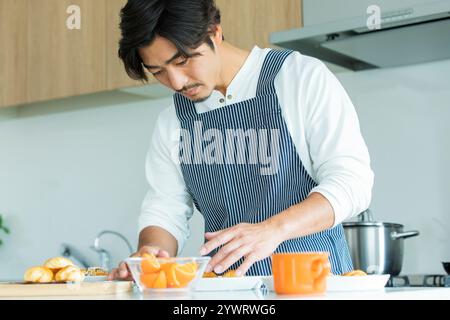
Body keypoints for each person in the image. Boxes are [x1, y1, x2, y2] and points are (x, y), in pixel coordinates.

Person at [108, 0, 374, 280]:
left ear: (215, 32)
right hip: (225, 291)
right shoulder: (173, 121)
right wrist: (150, 254)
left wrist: (273, 230)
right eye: (158, 71)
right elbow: (165, 209)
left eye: (182, 61)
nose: (175, 82)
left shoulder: (299, 77)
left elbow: (352, 182)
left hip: (316, 285)